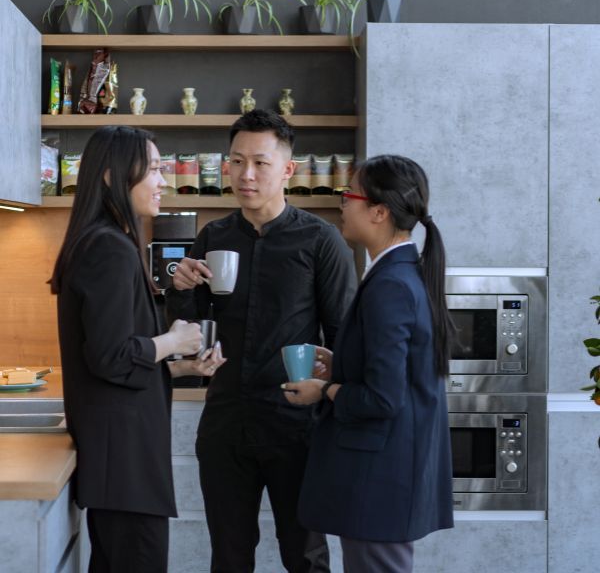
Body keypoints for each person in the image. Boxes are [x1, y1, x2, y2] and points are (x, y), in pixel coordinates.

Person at [165, 109, 357, 572]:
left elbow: (347, 339)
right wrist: (181, 289)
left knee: (306, 556)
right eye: (236, 161)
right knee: (229, 557)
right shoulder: (213, 235)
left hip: (297, 425)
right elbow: (190, 336)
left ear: (288, 169)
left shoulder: (320, 240)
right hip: (226, 423)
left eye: (260, 162)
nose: (245, 174)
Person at [50, 125, 226, 572]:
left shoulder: (105, 241)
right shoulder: (109, 248)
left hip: (122, 463)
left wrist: (180, 364)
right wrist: (174, 340)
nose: (163, 180)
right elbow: (110, 357)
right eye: (152, 170)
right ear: (111, 175)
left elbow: (111, 362)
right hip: (124, 464)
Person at [283, 154, 455, 573]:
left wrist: (323, 390)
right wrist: (341, 363)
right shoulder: (401, 274)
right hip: (388, 476)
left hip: (379, 479)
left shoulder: (390, 285)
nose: (342, 203)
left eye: (349, 195)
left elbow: (383, 398)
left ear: (378, 212)